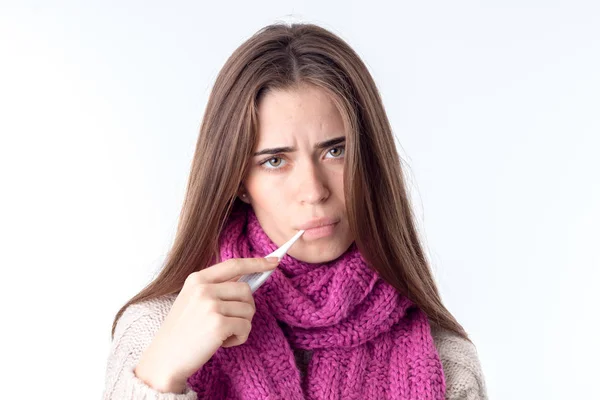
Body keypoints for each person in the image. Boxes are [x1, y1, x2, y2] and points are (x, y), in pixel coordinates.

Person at [102, 22, 488, 400]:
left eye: (336, 151)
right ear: (239, 181)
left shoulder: (446, 362)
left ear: (370, 163)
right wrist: (159, 377)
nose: (314, 191)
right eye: (275, 161)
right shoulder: (157, 333)